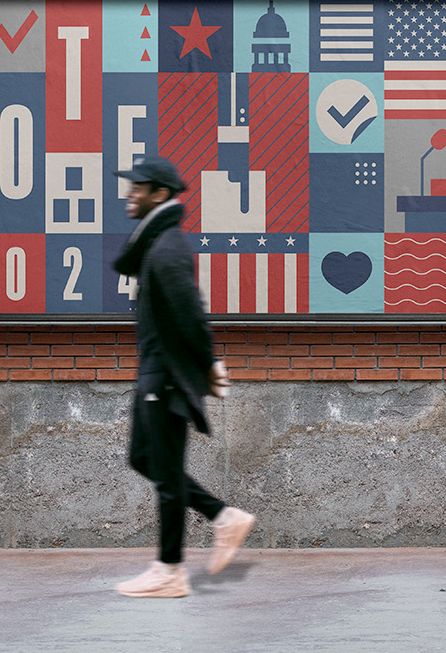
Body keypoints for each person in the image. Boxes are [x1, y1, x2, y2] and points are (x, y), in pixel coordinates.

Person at [111, 155, 255, 598]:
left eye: (138, 187)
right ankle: (223, 516)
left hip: (166, 375)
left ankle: (170, 570)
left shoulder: (168, 247)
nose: (129, 193)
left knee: (168, 471)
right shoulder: (155, 244)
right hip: (155, 371)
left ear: (160, 194)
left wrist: (208, 364)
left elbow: (192, 313)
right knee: (143, 458)